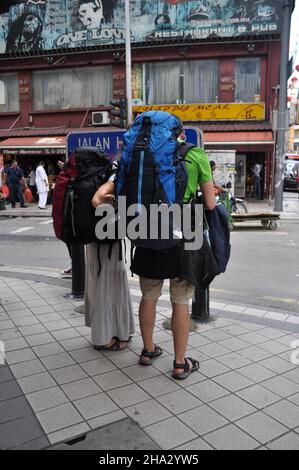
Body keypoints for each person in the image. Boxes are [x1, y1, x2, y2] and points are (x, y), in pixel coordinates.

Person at [131, 126, 216, 380]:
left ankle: (147, 351)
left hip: (148, 226)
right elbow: (210, 203)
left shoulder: (142, 154)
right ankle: (180, 364)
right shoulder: (196, 155)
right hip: (186, 228)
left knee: (148, 294)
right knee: (180, 298)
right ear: (180, 134)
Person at [84, 180, 135, 350]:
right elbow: (96, 201)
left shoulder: (94, 175)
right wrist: (114, 203)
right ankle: (106, 337)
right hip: (107, 240)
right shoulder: (114, 175)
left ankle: (112, 332)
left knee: (101, 283)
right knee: (111, 284)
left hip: (93, 237)